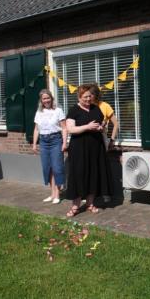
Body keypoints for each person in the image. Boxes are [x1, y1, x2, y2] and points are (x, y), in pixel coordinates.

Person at [64, 85, 113, 217]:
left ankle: (90, 203)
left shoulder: (96, 108)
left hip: (95, 147)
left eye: (90, 96)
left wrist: (101, 127)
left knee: (93, 174)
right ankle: (75, 206)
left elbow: (102, 124)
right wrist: (87, 126)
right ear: (79, 97)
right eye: (85, 96)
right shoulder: (74, 110)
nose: (88, 98)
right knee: (79, 175)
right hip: (79, 148)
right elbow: (71, 129)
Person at [32, 89, 67, 204]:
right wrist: (34, 144)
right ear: (41, 101)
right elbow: (36, 129)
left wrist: (64, 143)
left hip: (56, 140)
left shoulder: (58, 111)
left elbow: (64, 128)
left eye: (48, 98)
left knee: (57, 167)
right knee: (47, 168)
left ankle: (57, 194)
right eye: (44, 99)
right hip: (43, 141)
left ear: (51, 98)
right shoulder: (39, 112)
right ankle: (52, 194)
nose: (46, 100)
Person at [89, 84, 119, 151]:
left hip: (102, 136)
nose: (89, 97)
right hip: (88, 137)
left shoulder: (105, 106)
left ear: (96, 95)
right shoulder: (86, 106)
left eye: (91, 95)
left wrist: (112, 140)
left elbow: (116, 124)